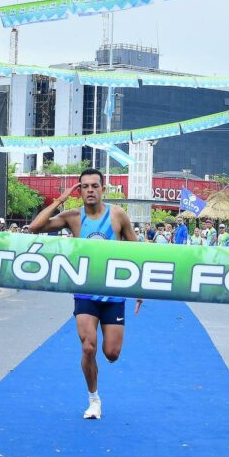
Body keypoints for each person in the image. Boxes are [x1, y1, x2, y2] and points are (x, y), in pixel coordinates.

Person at [28, 168, 143, 420]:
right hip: (85, 292)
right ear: (78, 191)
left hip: (113, 292)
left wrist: (140, 288)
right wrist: (59, 200)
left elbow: (137, 250)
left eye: (94, 185)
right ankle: (94, 399)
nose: (89, 190)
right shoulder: (73, 217)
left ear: (103, 188)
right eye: (84, 186)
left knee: (111, 354)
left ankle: (98, 382)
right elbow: (34, 227)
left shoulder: (117, 215)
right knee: (88, 347)